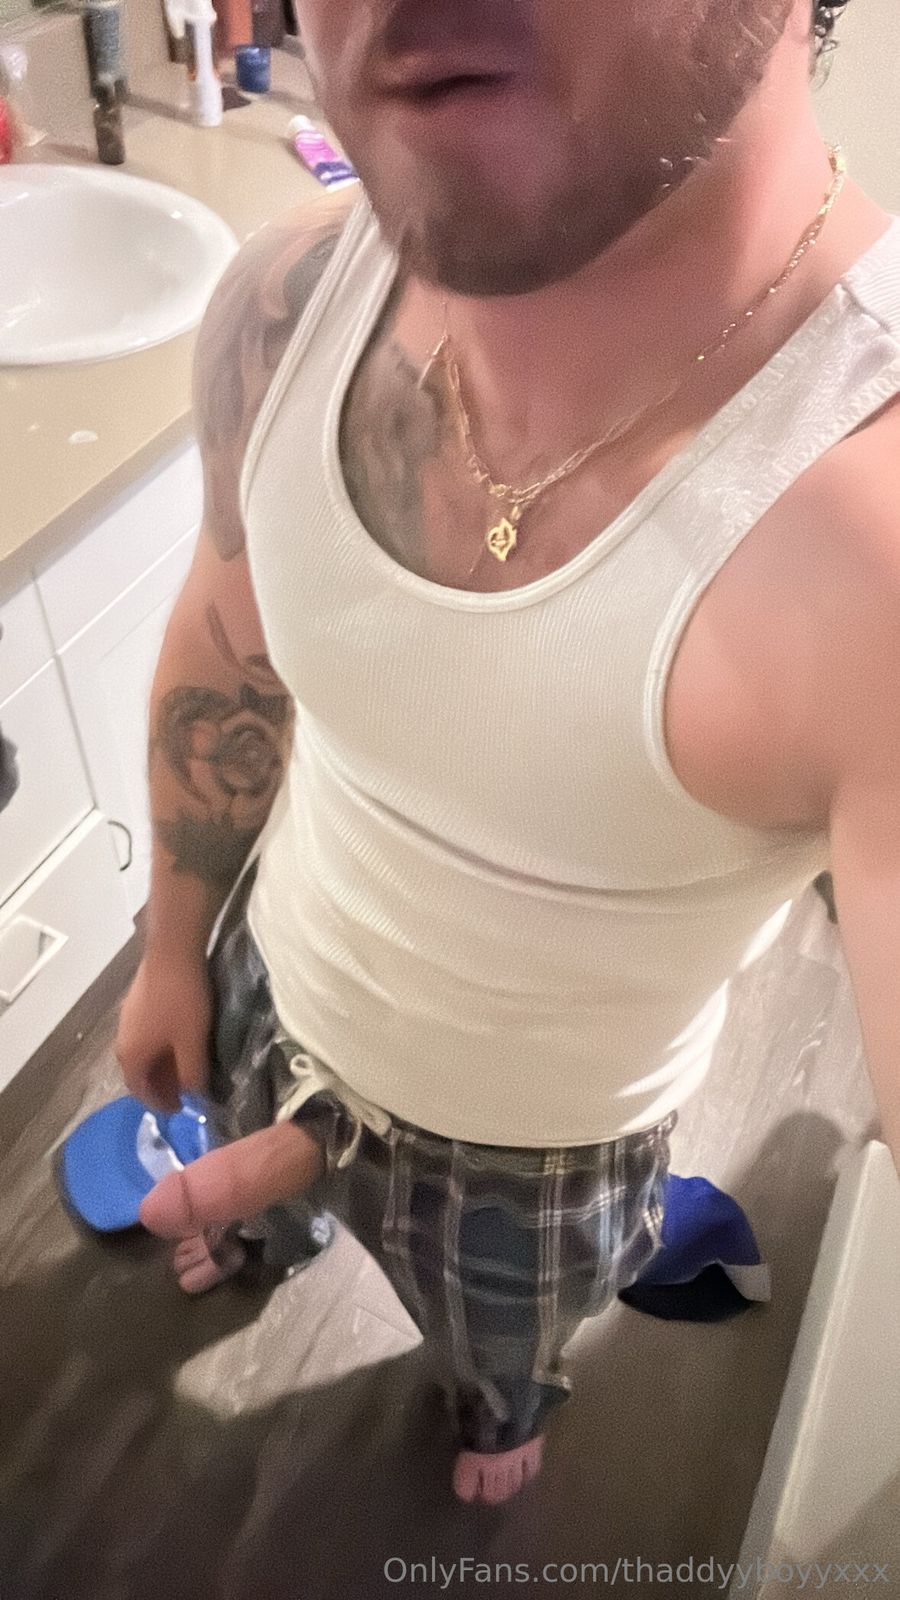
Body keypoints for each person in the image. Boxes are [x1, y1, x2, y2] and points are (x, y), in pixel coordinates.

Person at [115, 0, 900, 1506]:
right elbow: (226, 655)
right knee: (250, 1212)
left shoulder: (870, 522)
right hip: (271, 987)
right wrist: (169, 950)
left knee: (502, 1352)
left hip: (535, 1164)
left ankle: (502, 1408)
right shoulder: (288, 297)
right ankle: (272, 1229)